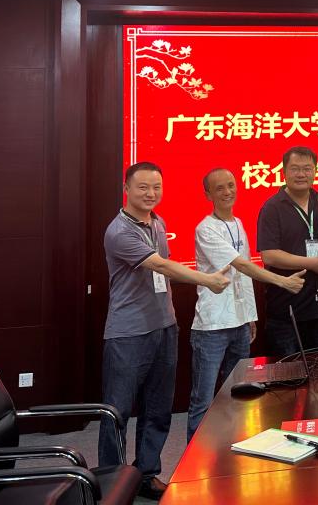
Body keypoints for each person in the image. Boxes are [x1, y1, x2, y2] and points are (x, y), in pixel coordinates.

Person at [100, 162, 232, 501]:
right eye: (143, 187)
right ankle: (111, 482)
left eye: (156, 187)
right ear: (126, 189)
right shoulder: (119, 231)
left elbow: (163, 271)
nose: (150, 193)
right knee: (117, 411)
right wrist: (206, 279)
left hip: (164, 327)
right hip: (128, 333)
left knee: (158, 408)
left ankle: (146, 473)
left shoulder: (158, 223)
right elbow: (159, 265)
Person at [186, 167, 307, 442]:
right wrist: (282, 281)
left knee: (238, 393)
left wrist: (250, 316)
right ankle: (194, 459)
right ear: (208, 194)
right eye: (219, 188)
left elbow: (244, 275)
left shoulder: (239, 223)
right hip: (213, 326)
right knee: (203, 400)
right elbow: (240, 265)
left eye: (231, 185)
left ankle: (230, 449)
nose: (227, 192)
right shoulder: (205, 228)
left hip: (240, 324)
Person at [258, 146, 318, 359]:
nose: (301, 174)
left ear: (315, 171)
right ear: (284, 171)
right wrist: (312, 263)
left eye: (307, 169)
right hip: (286, 311)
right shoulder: (272, 207)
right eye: (295, 169)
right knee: (288, 375)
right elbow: (269, 255)